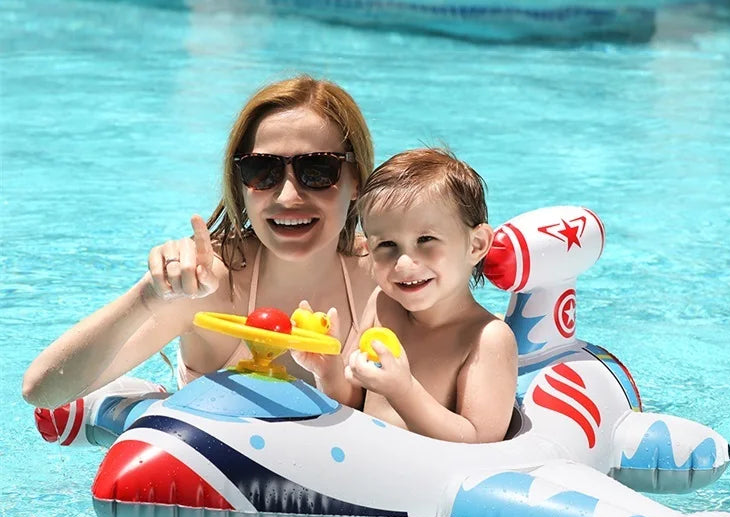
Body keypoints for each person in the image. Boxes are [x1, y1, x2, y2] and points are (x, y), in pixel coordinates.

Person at [22, 76, 377, 415]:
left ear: (356, 181)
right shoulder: (210, 285)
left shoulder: (383, 280)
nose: (287, 195)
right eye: (261, 171)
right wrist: (149, 296)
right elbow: (42, 390)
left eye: (317, 170)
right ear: (239, 184)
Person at [294, 148, 517, 444]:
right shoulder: (384, 305)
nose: (403, 264)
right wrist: (328, 370)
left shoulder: (486, 339)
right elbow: (354, 405)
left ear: (476, 245)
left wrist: (403, 391)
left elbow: (481, 444)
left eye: (426, 240)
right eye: (387, 244)